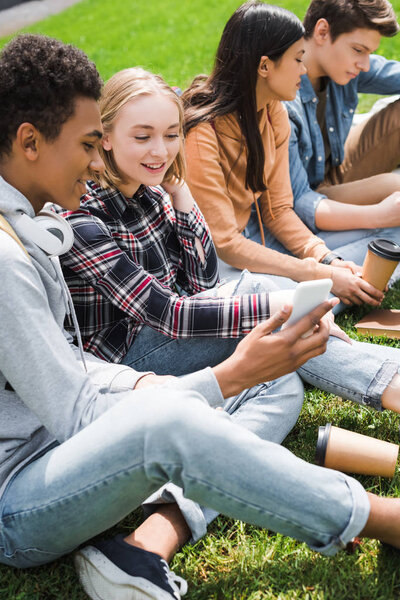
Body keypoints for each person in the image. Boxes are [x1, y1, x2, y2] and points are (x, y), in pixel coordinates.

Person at [3, 32, 400, 600]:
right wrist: (222, 377)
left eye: (169, 135)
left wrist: (179, 195)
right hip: (22, 496)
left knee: (276, 378)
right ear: (30, 141)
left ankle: (151, 539)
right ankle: (383, 513)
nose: (94, 162)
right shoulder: (29, 243)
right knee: (206, 383)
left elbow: (196, 282)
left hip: (78, 431)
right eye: (90, 143)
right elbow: (81, 405)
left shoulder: (34, 215)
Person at [183, 0, 400, 306]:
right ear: (264, 66)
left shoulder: (272, 112)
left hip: (267, 244)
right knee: (302, 303)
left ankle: (336, 290)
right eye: (298, 59)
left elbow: (278, 211)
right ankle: (323, 298)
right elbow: (227, 243)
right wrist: (315, 272)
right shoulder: (203, 132)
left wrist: (327, 261)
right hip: (221, 265)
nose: (304, 68)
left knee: (385, 243)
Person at [286, 0, 400, 249]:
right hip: (308, 197)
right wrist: (380, 214)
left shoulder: (340, 65)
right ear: (322, 32)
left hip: (334, 169)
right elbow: (295, 203)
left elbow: (392, 73)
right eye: (359, 50)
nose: (366, 64)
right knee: (396, 186)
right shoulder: (284, 97)